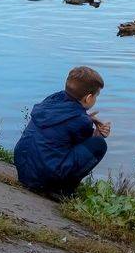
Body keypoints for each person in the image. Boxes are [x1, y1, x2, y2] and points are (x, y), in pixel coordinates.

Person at [14, 66, 111, 200]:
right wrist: (98, 134)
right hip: (44, 178)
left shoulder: (53, 99)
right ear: (88, 98)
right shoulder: (80, 121)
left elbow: (62, 127)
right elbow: (82, 145)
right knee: (98, 145)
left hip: (23, 169)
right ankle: (61, 190)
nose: (95, 99)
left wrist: (85, 117)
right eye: (96, 96)